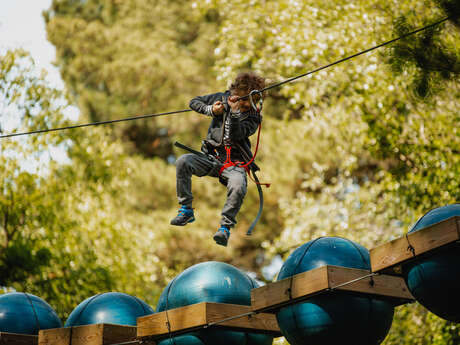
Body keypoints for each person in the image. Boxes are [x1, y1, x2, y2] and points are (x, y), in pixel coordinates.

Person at [170, 72, 265, 246]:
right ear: (234, 92)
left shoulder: (254, 117)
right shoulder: (222, 98)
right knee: (184, 161)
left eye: (248, 103)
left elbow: (237, 133)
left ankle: (225, 228)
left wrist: (235, 114)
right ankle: (186, 210)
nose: (244, 106)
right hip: (211, 158)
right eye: (241, 101)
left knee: (238, 185)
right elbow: (194, 102)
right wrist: (211, 110)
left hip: (235, 164)